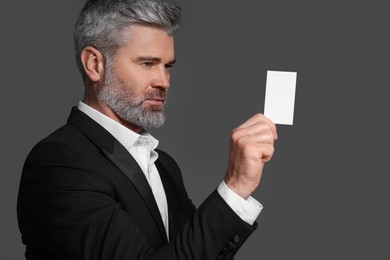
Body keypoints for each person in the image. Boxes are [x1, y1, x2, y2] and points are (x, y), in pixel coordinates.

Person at [17, 0, 277, 259]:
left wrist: (239, 188)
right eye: (147, 64)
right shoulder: (60, 163)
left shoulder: (165, 167)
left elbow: (198, 251)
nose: (164, 81)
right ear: (94, 64)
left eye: (168, 66)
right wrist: (235, 185)